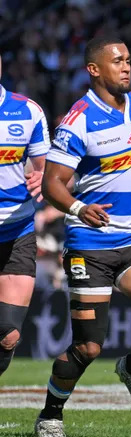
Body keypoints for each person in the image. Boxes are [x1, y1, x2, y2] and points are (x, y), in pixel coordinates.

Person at [34, 36, 131, 437]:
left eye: (129, 60)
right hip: (91, 243)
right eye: (117, 61)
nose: (126, 66)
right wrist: (77, 208)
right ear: (94, 70)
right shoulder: (78, 120)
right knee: (88, 347)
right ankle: (50, 414)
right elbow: (52, 184)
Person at [0, 55, 50, 378]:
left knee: (8, 336)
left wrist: (43, 177)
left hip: (17, 231)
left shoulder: (28, 111)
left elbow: (46, 170)